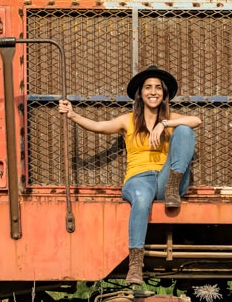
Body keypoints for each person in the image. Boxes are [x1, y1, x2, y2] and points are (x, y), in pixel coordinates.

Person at [58, 66, 201, 285]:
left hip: (166, 182)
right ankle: (135, 266)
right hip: (139, 179)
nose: (153, 92)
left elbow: (196, 121)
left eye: (157, 88)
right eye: (148, 88)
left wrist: (164, 124)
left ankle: (173, 189)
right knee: (142, 200)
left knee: (184, 130)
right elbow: (99, 126)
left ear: (163, 94)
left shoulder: (170, 118)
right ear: (141, 93)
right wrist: (72, 114)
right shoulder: (129, 120)